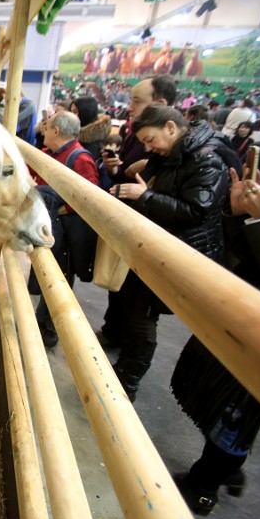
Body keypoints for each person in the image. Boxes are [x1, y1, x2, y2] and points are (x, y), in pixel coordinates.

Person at [171, 124, 260, 516]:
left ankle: (205, 484)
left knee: (240, 407)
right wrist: (239, 212)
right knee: (212, 387)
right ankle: (226, 467)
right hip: (244, 296)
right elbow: (240, 240)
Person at [108, 104, 237, 401]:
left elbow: (196, 211)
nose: (148, 147)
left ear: (170, 127)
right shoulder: (169, 154)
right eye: (144, 142)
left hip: (181, 249)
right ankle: (123, 371)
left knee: (143, 315)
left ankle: (127, 383)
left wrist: (146, 196)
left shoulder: (207, 160)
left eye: (150, 140)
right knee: (134, 308)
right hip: (157, 243)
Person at [97, 75, 177, 348]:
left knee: (140, 307)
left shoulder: (182, 154)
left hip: (153, 234)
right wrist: (115, 170)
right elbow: (126, 178)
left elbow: (190, 208)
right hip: (131, 221)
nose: (129, 106)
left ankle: (128, 369)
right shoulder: (135, 134)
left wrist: (147, 196)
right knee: (120, 288)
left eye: (137, 101)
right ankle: (112, 333)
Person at [30, 111, 100, 347]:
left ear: (56, 131)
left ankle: (51, 328)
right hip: (48, 224)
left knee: (60, 277)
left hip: (66, 231)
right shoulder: (46, 154)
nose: (44, 130)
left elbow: (90, 199)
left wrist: (59, 210)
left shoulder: (80, 158)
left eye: (47, 127)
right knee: (46, 274)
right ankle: (41, 320)